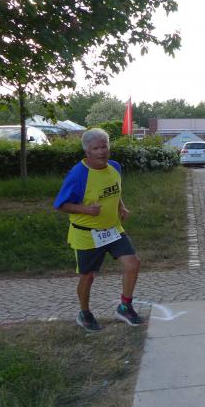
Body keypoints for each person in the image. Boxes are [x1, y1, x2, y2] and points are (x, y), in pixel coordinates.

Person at [53, 128, 143, 332]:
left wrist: (121, 206)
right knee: (88, 276)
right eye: (96, 148)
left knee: (133, 263)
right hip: (87, 233)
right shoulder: (79, 174)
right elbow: (60, 205)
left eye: (105, 147)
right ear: (87, 151)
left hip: (112, 229)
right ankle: (84, 313)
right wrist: (86, 210)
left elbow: (113, 190)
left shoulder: (115, 167)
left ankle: (125, 307)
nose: (102, 152)